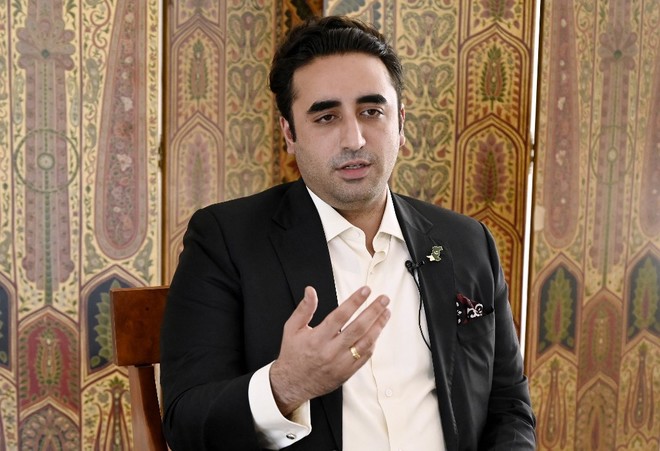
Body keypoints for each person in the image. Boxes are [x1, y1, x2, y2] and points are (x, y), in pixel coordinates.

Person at [160, 15, 536, 450]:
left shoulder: (467, 243)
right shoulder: (225, 240)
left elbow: (509, 407)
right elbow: (186, 425)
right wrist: (285, 386)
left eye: (371, 112)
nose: (354, 139)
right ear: (289, 133)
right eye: (326, 117)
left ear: (401, 123)